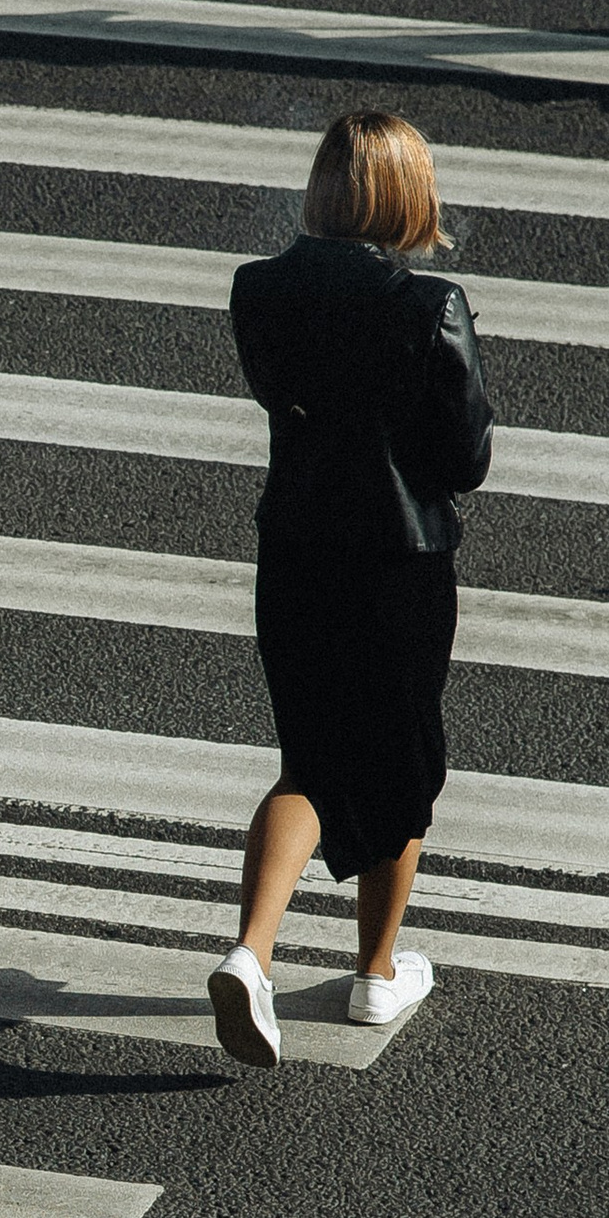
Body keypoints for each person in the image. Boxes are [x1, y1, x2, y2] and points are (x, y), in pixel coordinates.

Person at [208, 114, 494, 1071]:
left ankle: (251, 953)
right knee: (403, 765)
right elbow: (466, 455)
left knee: (313, 762)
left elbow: (277, 394)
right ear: (410, 197)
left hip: (293, 553)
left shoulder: (258, 291)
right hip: (397, 565)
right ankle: (376, 969)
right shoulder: (430, 305)